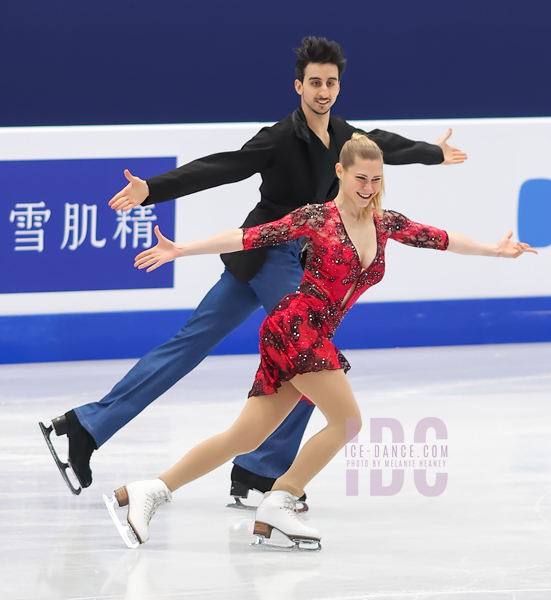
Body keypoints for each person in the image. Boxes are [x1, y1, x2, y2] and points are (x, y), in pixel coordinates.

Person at [40, 36, 468, 503]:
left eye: (331, 83)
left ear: (338, 87)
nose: (323, 91)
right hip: (267, 255)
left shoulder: (344, 136)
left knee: (189, 346)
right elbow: (223, 167)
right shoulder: (280, 137)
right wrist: (153, 190)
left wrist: (433, 151)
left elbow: (386, 147)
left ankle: (85, 425)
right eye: (314, 83)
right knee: (310, 355)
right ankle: (261, 470)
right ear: (299, 86)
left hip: (280, 259)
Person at [102, 133, 535, 550]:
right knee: (347, 422)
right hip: (297, 328)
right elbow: (249, 237)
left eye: (376, 179)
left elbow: (441, 239)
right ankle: (281, 499)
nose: (368, 188)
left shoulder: (385, 224)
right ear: (341, 173)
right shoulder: (317, 217)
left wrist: (493, 251)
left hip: (303, 334)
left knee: (244, 437)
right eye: (360, 178)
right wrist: (181, 249)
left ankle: (150, 491)